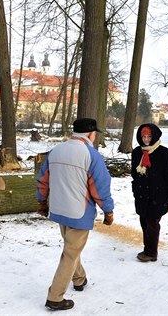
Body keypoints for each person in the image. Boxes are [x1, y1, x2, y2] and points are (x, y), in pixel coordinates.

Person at [36, 118, 114, 311]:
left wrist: (41, 202)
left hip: (58, 208)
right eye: (95, 133)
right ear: (90, 134)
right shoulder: (91, 155)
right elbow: (100, 187)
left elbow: (43, 180)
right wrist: (108, 210)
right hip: (79, 212)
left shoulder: (56, 151)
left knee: (72, 249)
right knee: (70, 253)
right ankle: (55, 297)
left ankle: (79, 279)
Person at [131, 123, 168, 262]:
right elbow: (134, 174)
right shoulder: (137, 152)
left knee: (152, 223)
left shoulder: (164, 153)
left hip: (158, 196)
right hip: (141, 195)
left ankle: (151, 252)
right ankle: (148, 248)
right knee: (144, 222)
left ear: (155, 136)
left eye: (149, 137)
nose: (146, 140)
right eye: (143, 137)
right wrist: (135, 189)